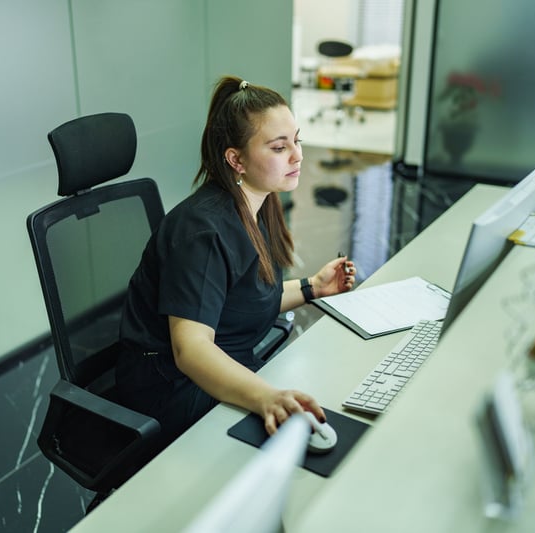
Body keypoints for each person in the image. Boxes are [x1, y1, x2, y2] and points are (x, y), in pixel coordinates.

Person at [116, 76, 356, 446]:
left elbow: (242, 300)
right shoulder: (203, 232)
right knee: (290, 442)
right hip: (173, 389)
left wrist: (313, 288)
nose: (297, 155)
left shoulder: (257, 204)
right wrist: (264, 396)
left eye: (297, 140)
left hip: (226, 365)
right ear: (236, 159)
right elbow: (191, 350)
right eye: (279, 147)